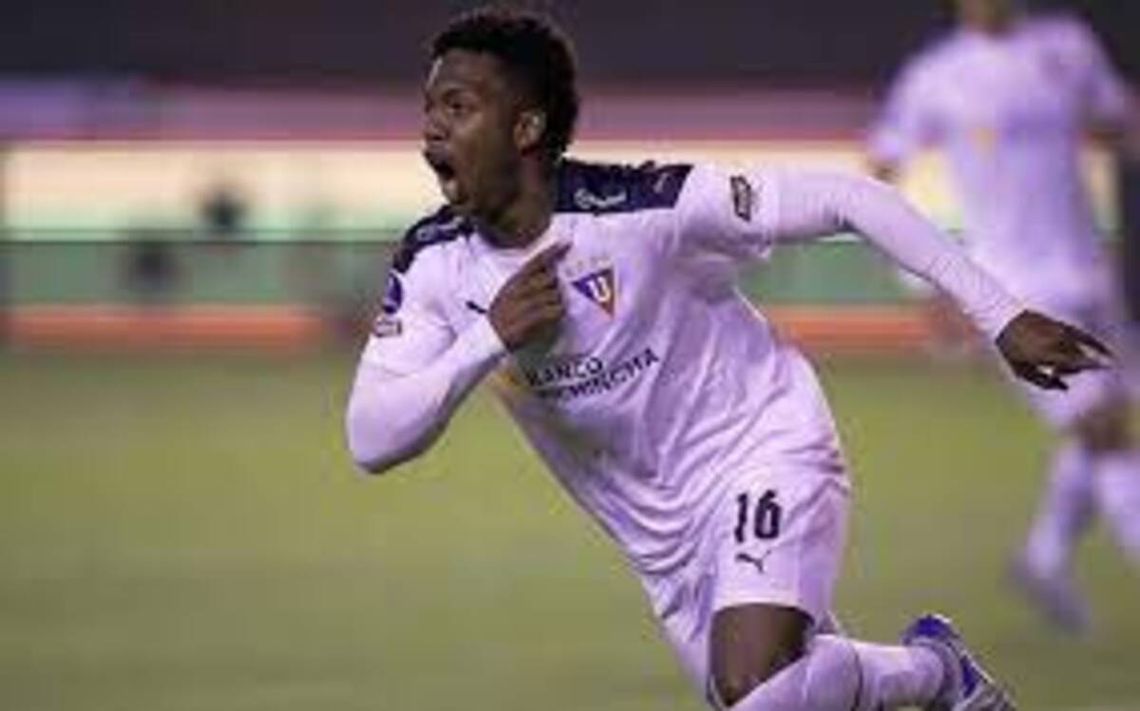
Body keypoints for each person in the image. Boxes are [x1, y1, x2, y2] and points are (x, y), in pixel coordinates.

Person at [346, 8, 1108, 710]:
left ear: (526, 127)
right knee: (775, 695)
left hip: (761, 447)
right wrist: (488, 337)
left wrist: (1001, 316)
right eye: (429, 107)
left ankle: (936, 672)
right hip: (662, 547)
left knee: (753, 683)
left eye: (457, 106)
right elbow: (371, 438)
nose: (431, 127)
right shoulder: (433, 263)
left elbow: (852, 199)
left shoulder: (645, 207)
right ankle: (940, 674)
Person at [868, 0, 1139, 633]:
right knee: (1103, 429)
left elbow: (1115, 123)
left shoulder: (1067, 45)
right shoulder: (938, 75)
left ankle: (1043, 558)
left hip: (1091, 275)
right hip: (1015, 293)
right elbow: (881, 172)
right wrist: (921, 281)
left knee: (1108, 423)